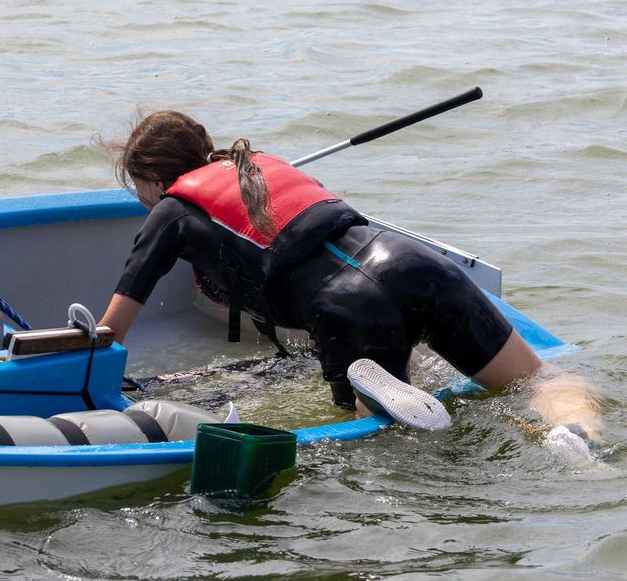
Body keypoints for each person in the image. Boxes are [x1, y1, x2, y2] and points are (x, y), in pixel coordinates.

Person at [99, 110, 602, 441]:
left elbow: (111, 334)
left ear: (153, 181)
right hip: (415, 262)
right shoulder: (261, 166)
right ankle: (574, 434)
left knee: (376, 444)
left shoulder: (170, 211)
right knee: (537, 381)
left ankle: (400, 412)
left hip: (346, 308)